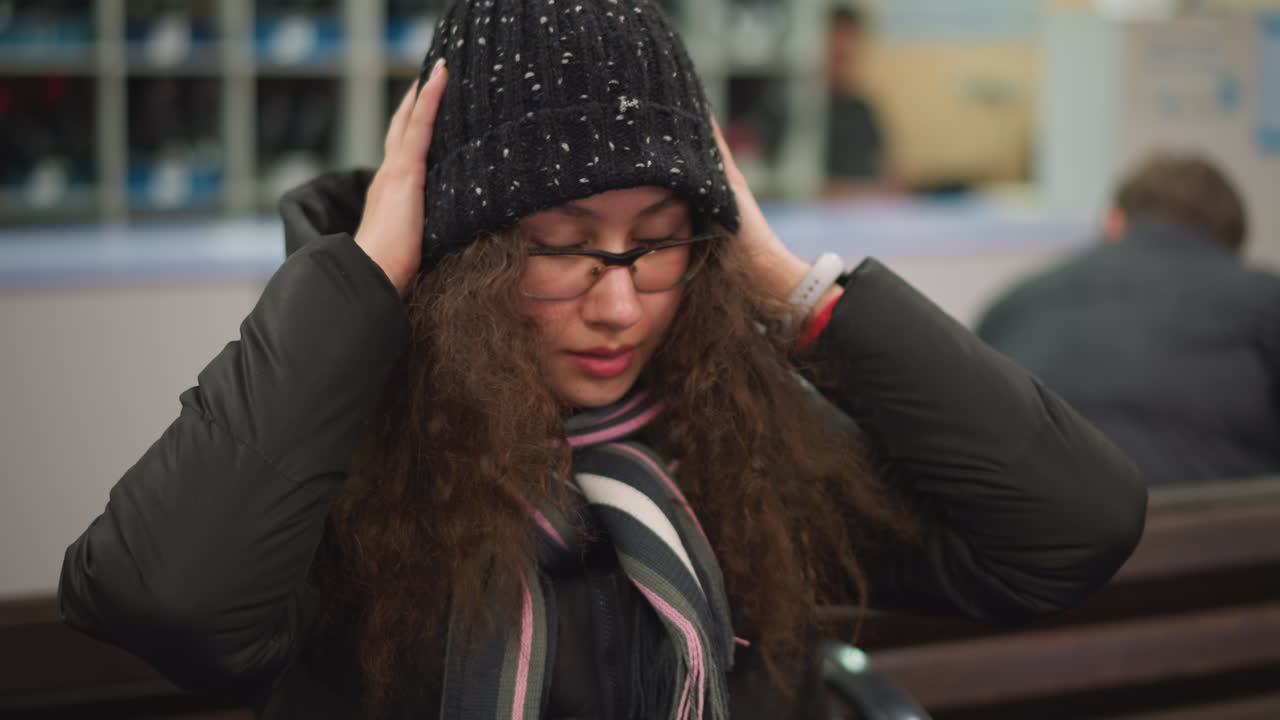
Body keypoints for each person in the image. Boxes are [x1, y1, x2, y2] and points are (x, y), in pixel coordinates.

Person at [58, 2, 1144, 719]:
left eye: (659, 237)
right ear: (464, 257)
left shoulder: (728, 430)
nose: (618, 302)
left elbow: (1069, 526)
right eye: (563, 248)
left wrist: (788, 283)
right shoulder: (351, 450)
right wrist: (364, 280)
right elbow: (171, 604)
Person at [977, 153, 1280, 487]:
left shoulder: (1012, 304)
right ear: (1228, 246)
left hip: (1027, 527)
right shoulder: (1263, 299)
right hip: (1214, 527)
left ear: (1114, 221)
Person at [823, 4, 896, 198]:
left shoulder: (862, 109)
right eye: (838, 55)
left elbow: (891, 172)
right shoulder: (802, 109)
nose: (846, 48)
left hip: (870, 215)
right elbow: (800, 187)